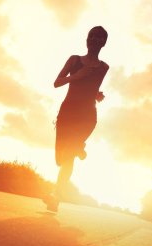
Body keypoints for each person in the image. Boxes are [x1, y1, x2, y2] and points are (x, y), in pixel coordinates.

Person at [43, 26, 109, 212]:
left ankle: (55, 196)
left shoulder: (104, 67)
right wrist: (76, 76)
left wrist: (96, 93)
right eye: (92, 36)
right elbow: (57, 83)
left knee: (69, 156)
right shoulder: (74, 60)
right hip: (67, 113)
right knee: (61, 159)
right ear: (86, 39)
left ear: (103, 43)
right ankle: (79, 147)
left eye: (99, 38)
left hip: (86, 116)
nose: (94, 40)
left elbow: (90, 86)